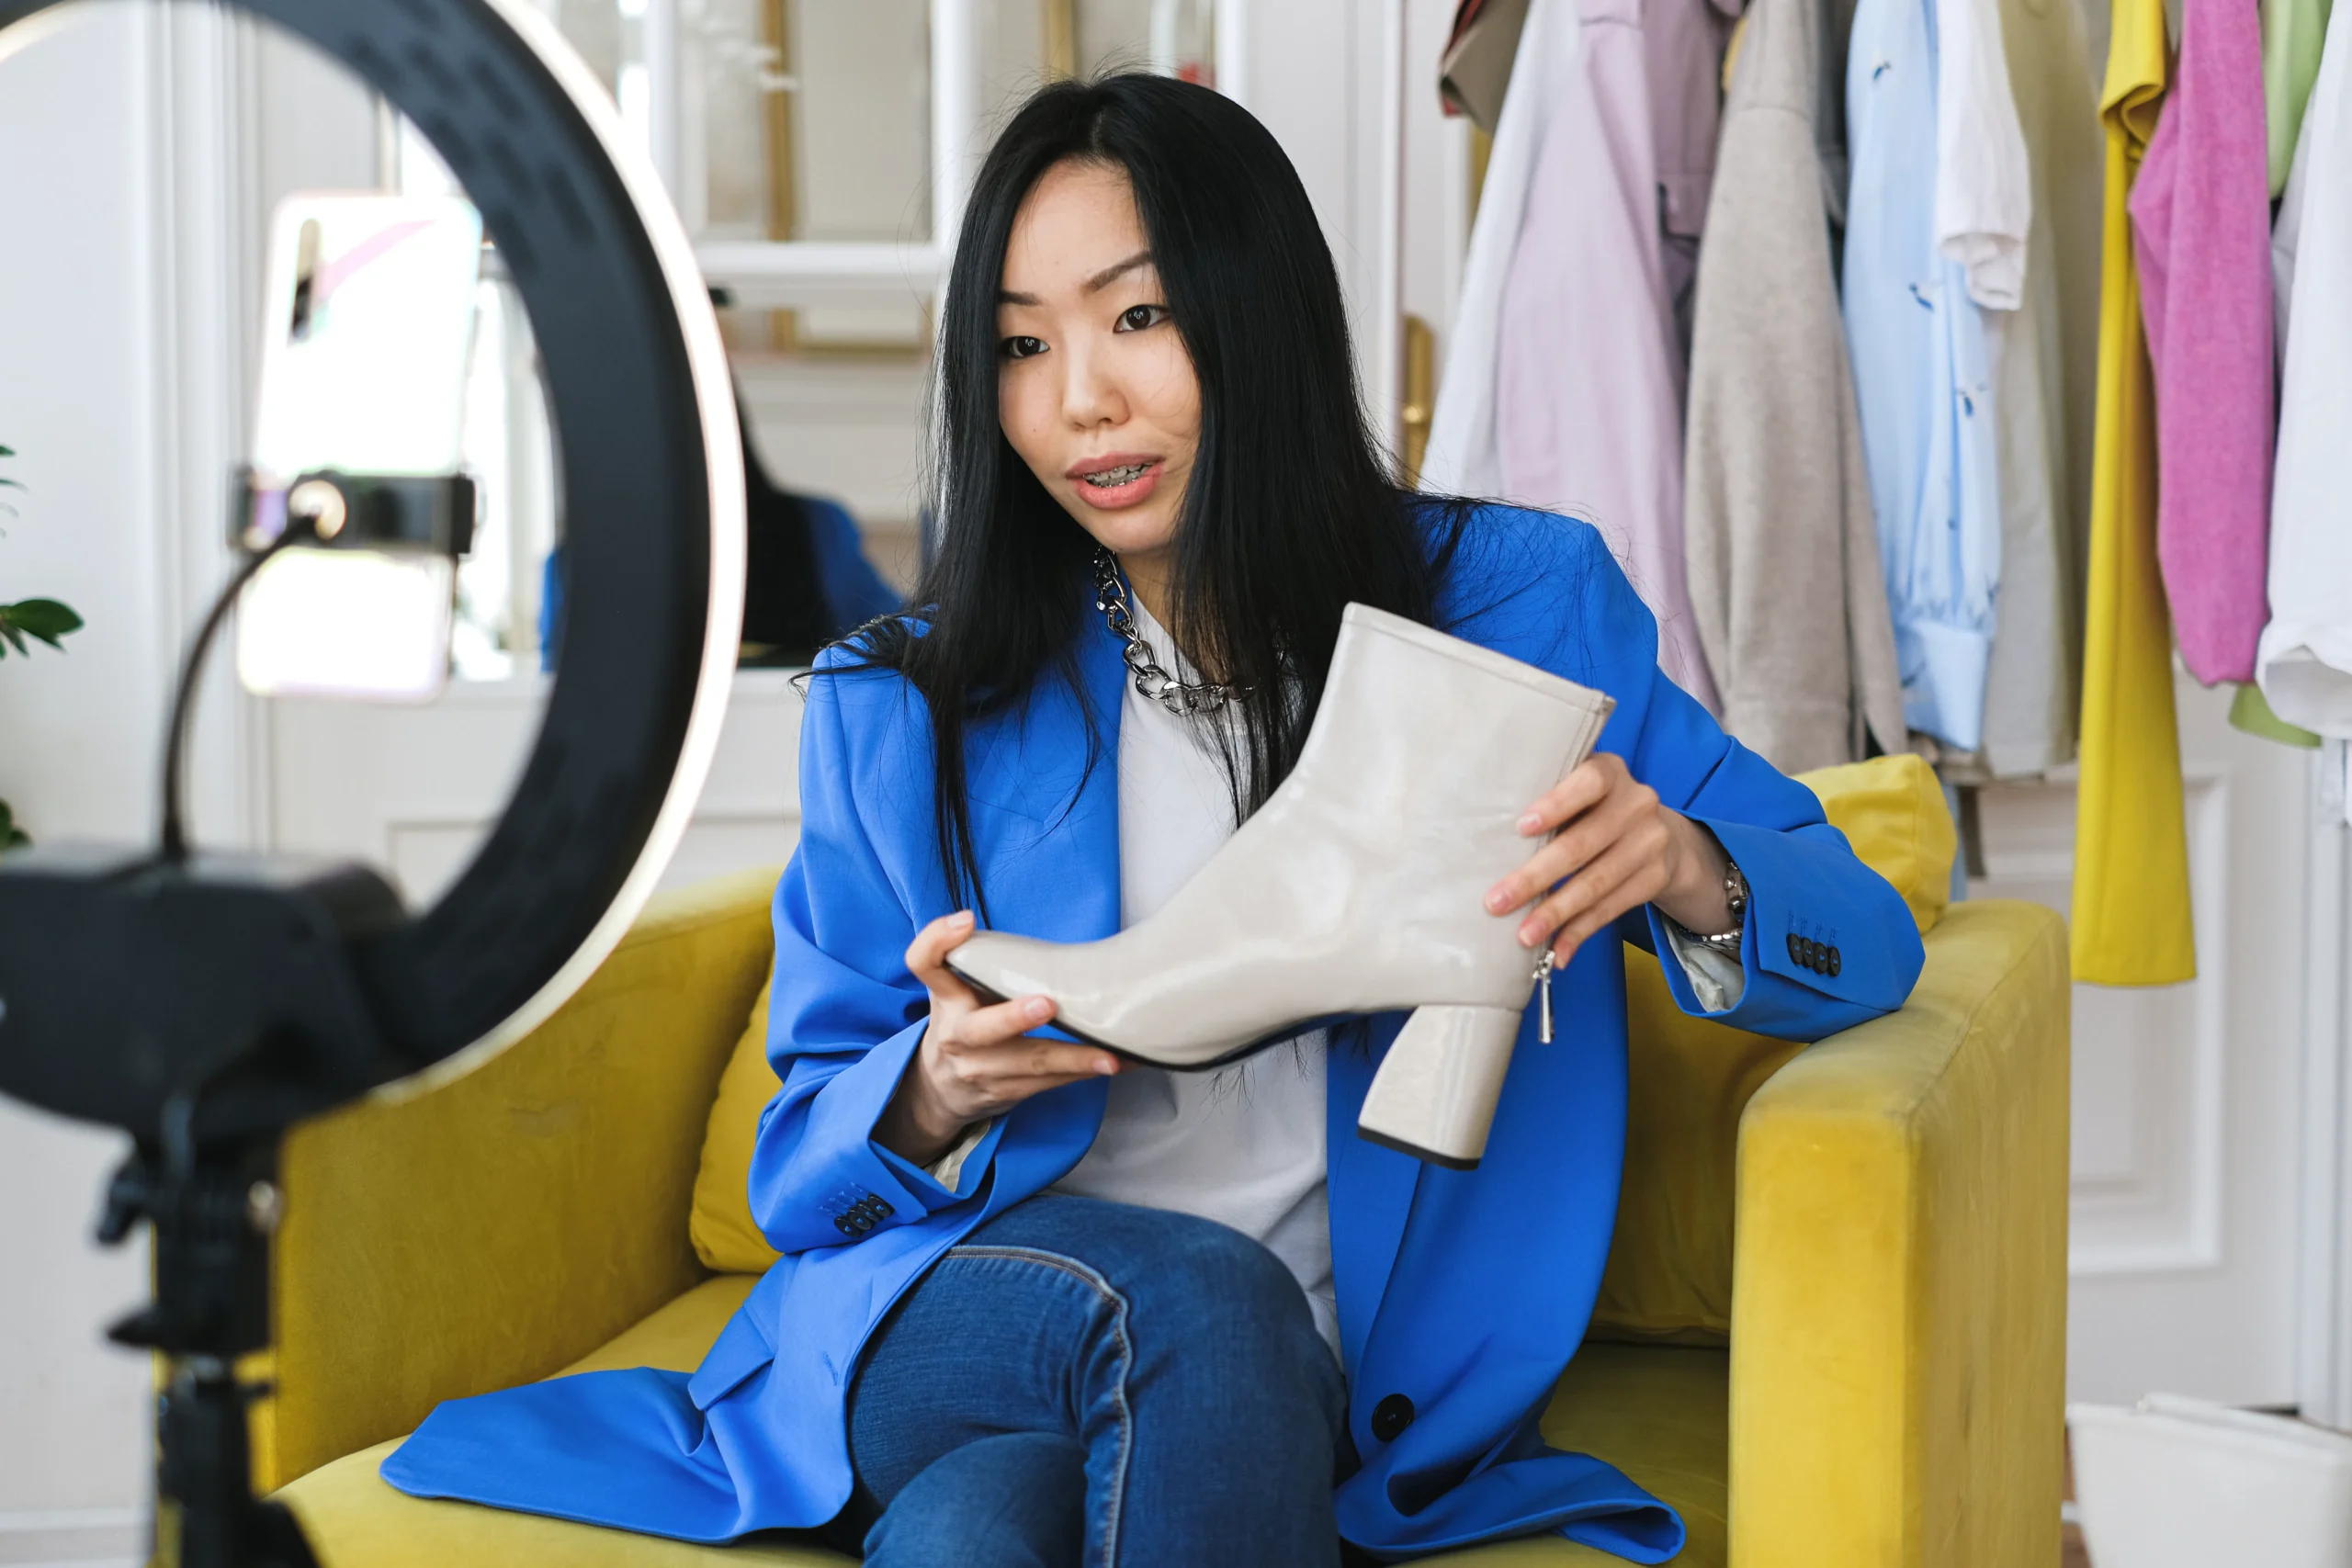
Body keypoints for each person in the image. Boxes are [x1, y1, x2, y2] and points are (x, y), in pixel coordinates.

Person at [382, 73, 1925, 1566]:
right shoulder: (907, 699)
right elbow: (801, 1169)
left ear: (1254, 311)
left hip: (1312, 1368)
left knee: (981, 1523)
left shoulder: (1521, 615)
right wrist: (929, 1088)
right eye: (1019, 344)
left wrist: (1689, 866)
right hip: (958, 1305)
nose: (1080, 402)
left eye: (1138, 317)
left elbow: (1865, 933)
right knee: (1194, 1297)